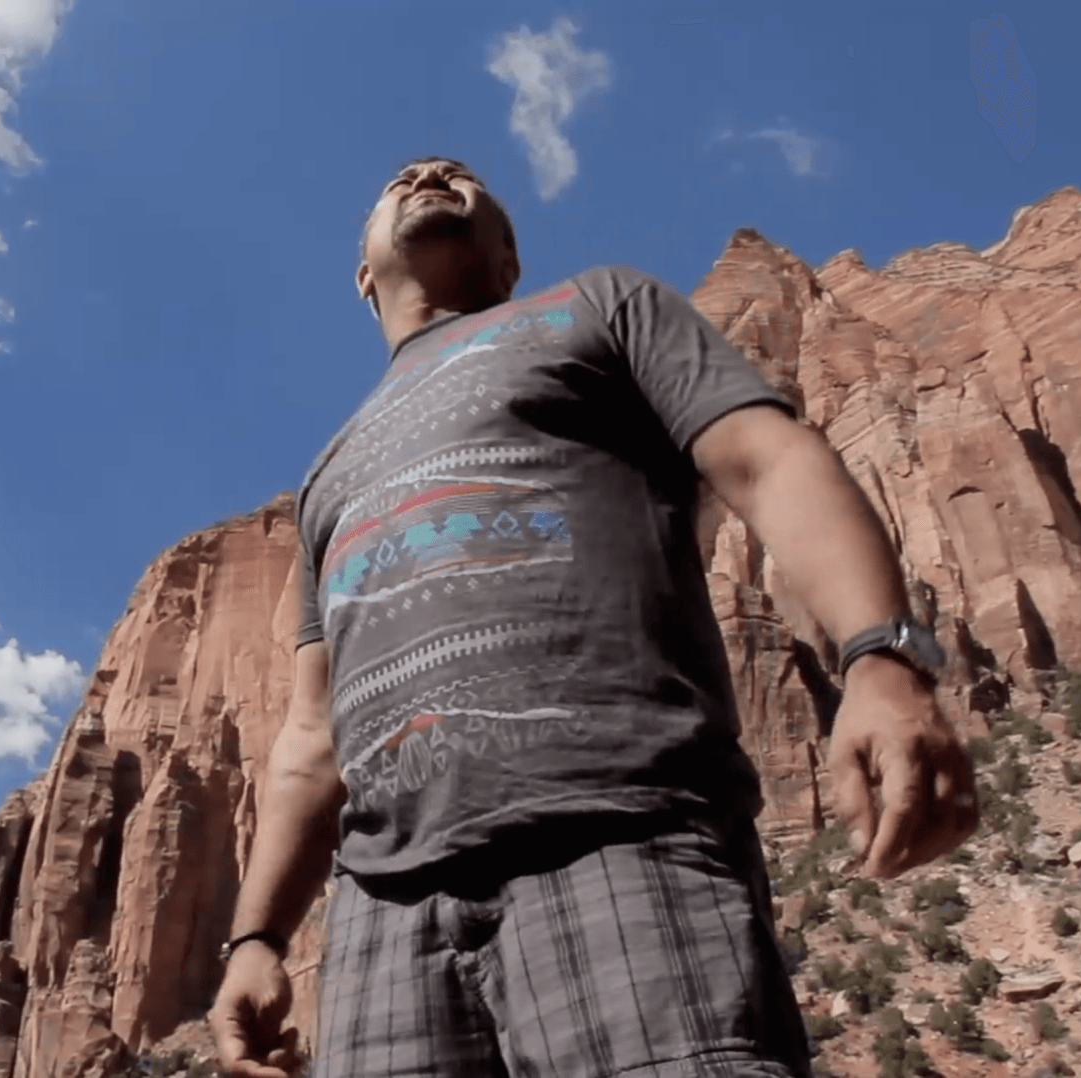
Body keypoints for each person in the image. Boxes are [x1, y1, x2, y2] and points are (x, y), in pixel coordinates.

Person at [208, 157, 980, 1078]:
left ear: (509, 257)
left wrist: (882, 656)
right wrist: (257, 938)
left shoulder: (599, 307)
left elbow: (765, 459)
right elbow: (311, 732)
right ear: (364, 278)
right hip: (383, 923)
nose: (431, 172)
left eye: (461, 175)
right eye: (401, 178)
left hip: (621, 840)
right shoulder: (326, 475)